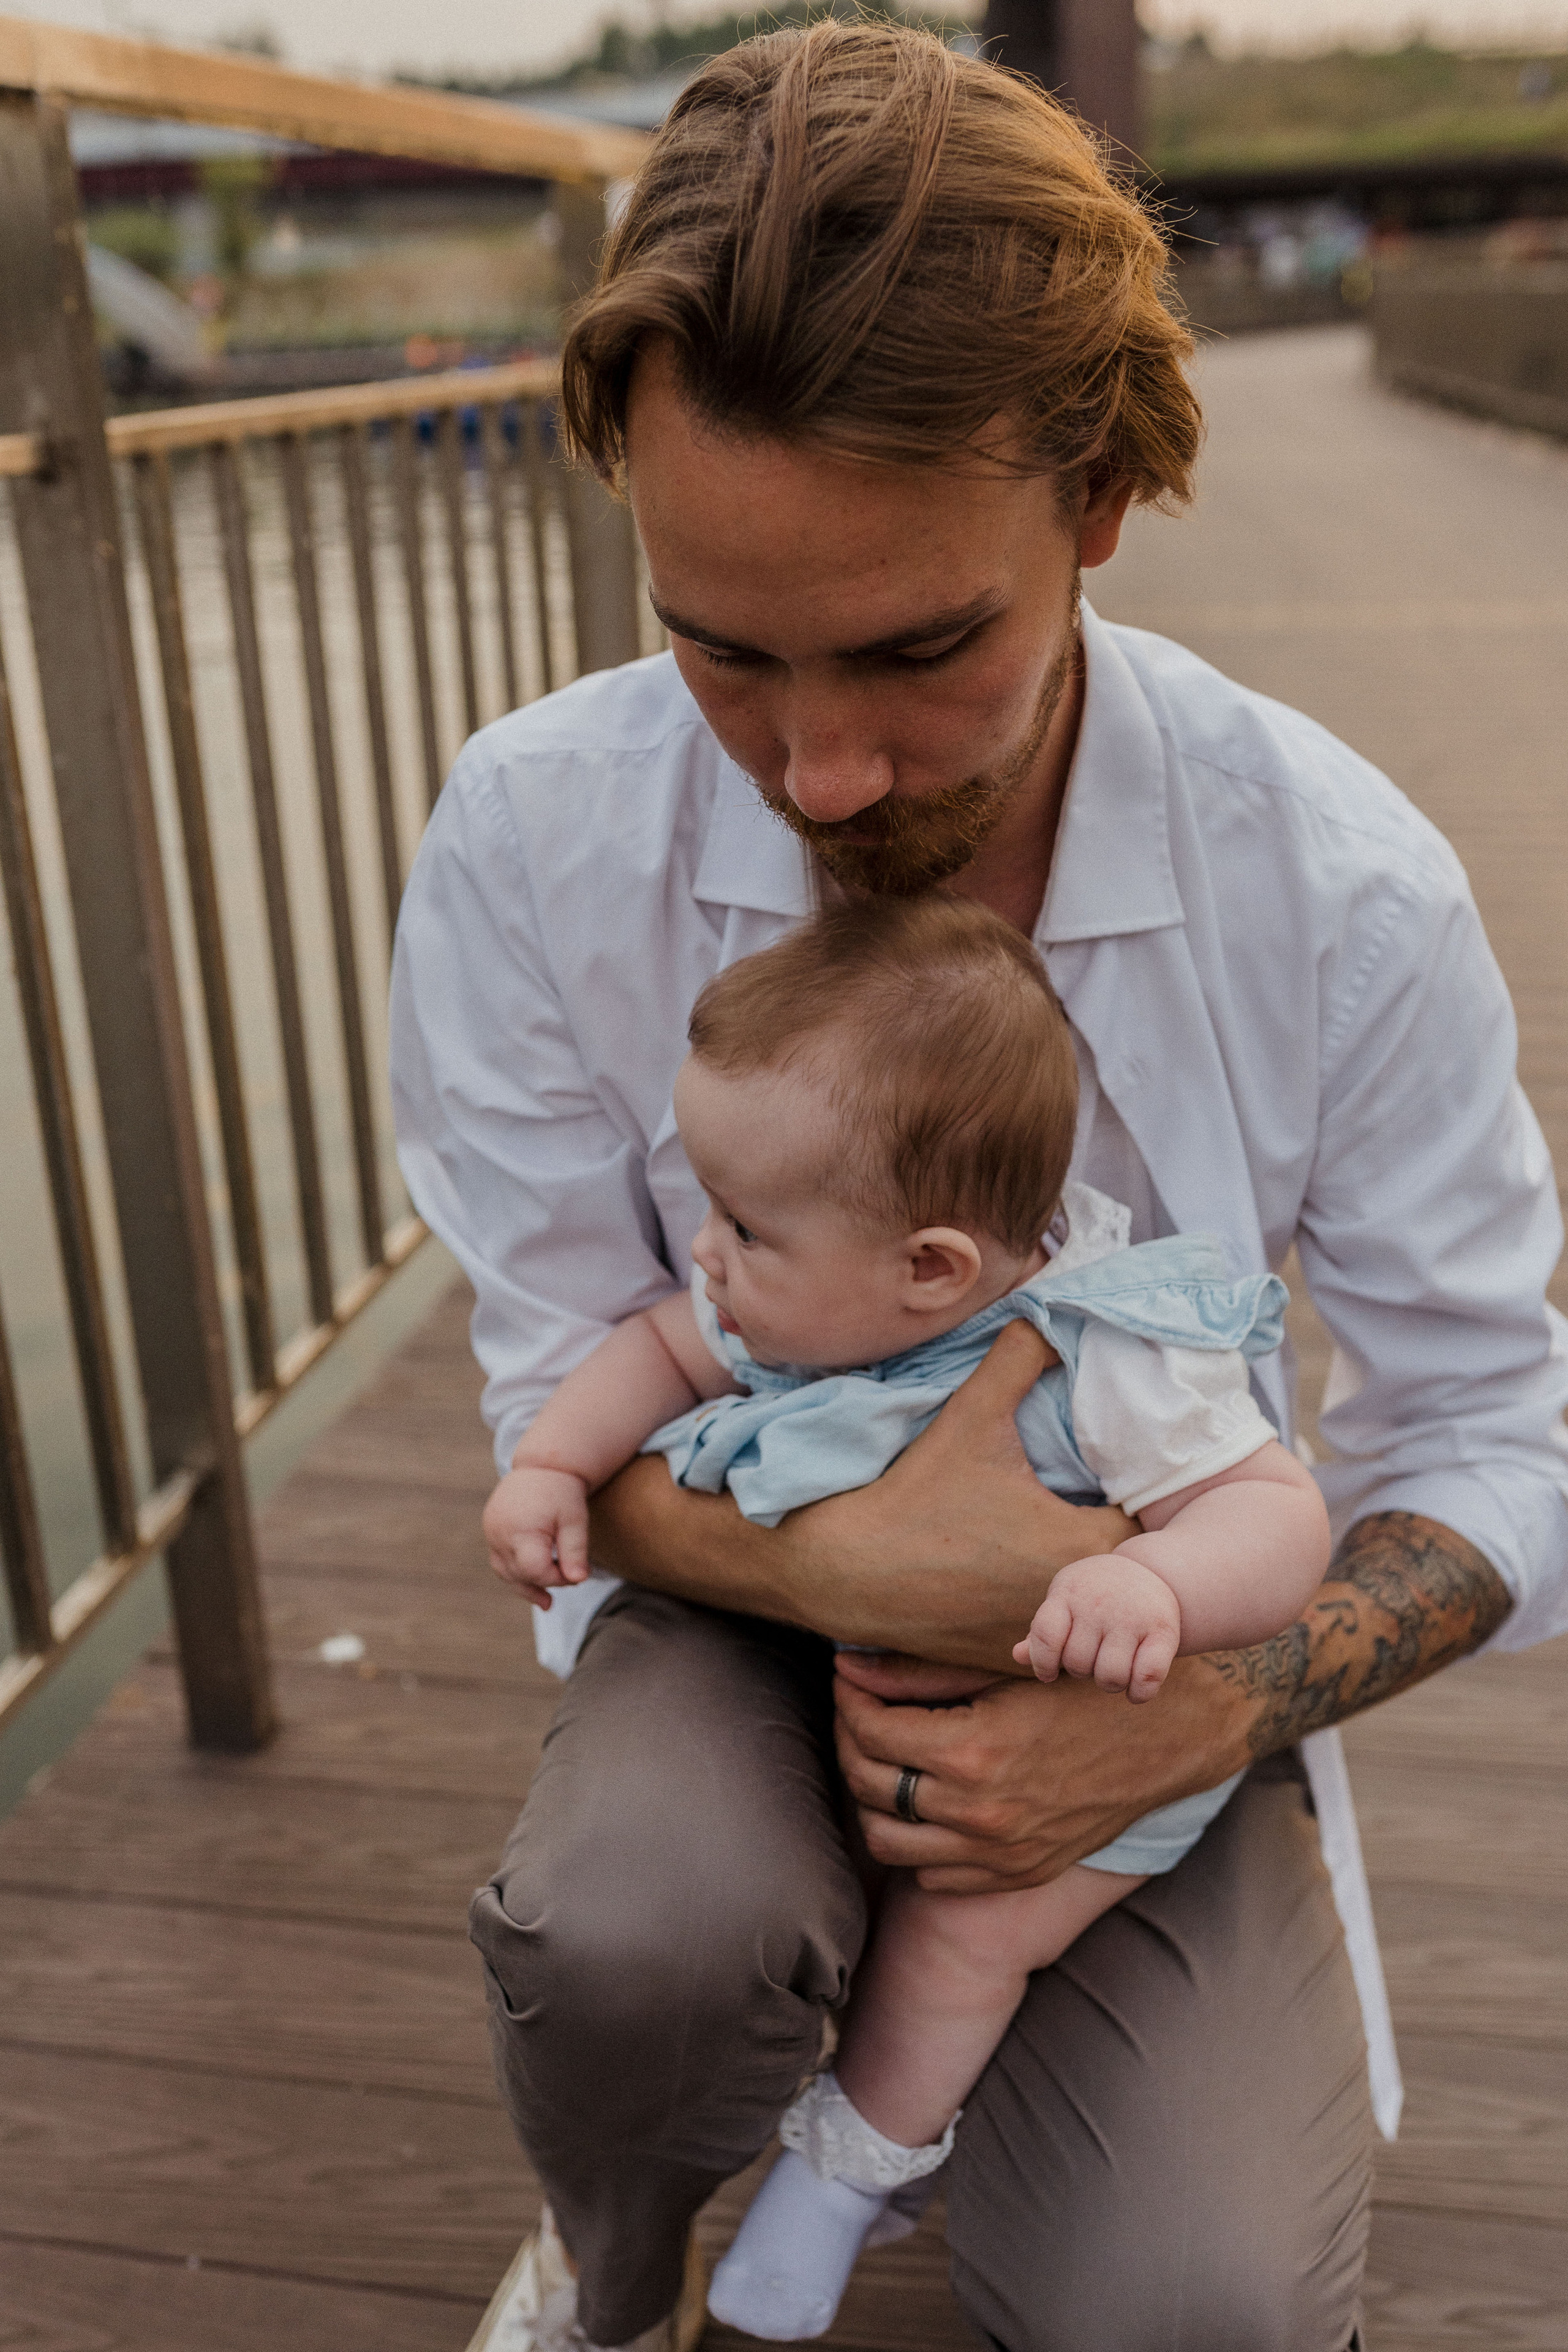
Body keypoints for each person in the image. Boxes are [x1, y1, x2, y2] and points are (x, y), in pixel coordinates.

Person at [389, 21, 1568, 2352]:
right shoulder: (533, 839)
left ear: (1107, 496)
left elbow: (1505, 1439)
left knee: (1195, 2312)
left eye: (928, 648)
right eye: (717, 652)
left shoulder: (1334, 885)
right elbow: (561, 1374)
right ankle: (624, 2266)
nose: (821, 770)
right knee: (628, 1938)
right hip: (726, 1624)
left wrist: (1220, 1702)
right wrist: (870, 1555)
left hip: (1158, 1677)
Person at [483, 894, 1333, 2342]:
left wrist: (1152, 1580)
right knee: (668, 1911)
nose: (702, 1253)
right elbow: (648, 1350)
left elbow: (1279, 1517)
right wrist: (554, 1463)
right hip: (823, 1673)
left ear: (928, 1268)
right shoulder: (786, 1300)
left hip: (1073, 1728)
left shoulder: (1104, 1353)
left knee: (958, 1940)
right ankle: (620, 2251)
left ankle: (842, 2174)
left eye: (742, 1224)